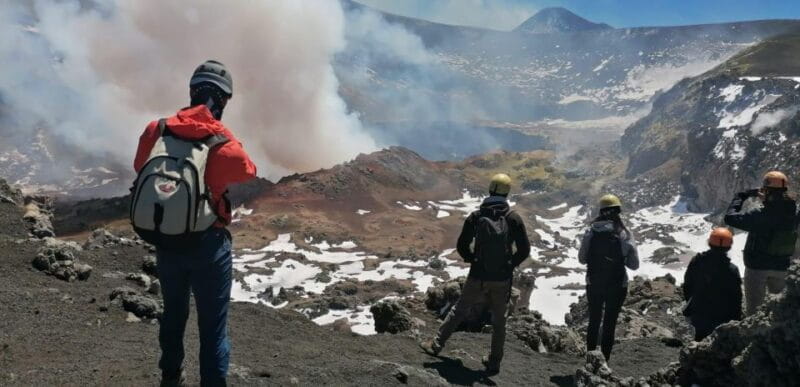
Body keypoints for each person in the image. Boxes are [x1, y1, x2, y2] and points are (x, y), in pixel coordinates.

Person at [133, 60, 257, 387]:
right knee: (212, 330)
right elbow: (248, 169)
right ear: (224, 101)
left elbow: (139, 167)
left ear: (191, 91)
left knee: (173, 316)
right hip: (208, 247)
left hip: (168, 241)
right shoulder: (222, 145)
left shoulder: (156, 130)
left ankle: (171, 378)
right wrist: (220, 130)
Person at [419, 173, 531, 374]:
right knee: (499, 321)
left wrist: (473, 259)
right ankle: (494, 362)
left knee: (459, 311)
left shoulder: (477, 216)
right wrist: (509, 265)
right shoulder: (513, 218)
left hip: (477, 275)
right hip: (502, 279)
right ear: (507, 193)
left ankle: (435, 345)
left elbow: (462, 245)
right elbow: (524, 250)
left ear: (490, 189)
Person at [724, 171, 797, 316]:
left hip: (757, 268)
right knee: (779, 310)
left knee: (754, 310)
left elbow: (730, 218)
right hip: (783, 267)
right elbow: (780, 210)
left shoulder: (759, 215)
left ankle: (753, 332)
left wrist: (741, 196)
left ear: (766, 190)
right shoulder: (795, 212)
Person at [578, 194, 639, 362]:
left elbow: (582, 259)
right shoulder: (624, 234)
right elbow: (634, 265)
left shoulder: (590, 232)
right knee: (610, 323)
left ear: (601, 211)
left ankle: (590, 359)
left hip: (594, 283)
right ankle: (605, 362)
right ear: (618, 211)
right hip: (617, 285)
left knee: (594, 320)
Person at [682, 228, 743, 341]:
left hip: (699, 315)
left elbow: (687, 285)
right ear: (729, 247)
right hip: (723, 319)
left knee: (699, 341)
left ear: (710, 243)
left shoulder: (697, 262)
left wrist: (692, 305)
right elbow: (736, 298)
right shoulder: (732, 269)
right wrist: (736, 320)